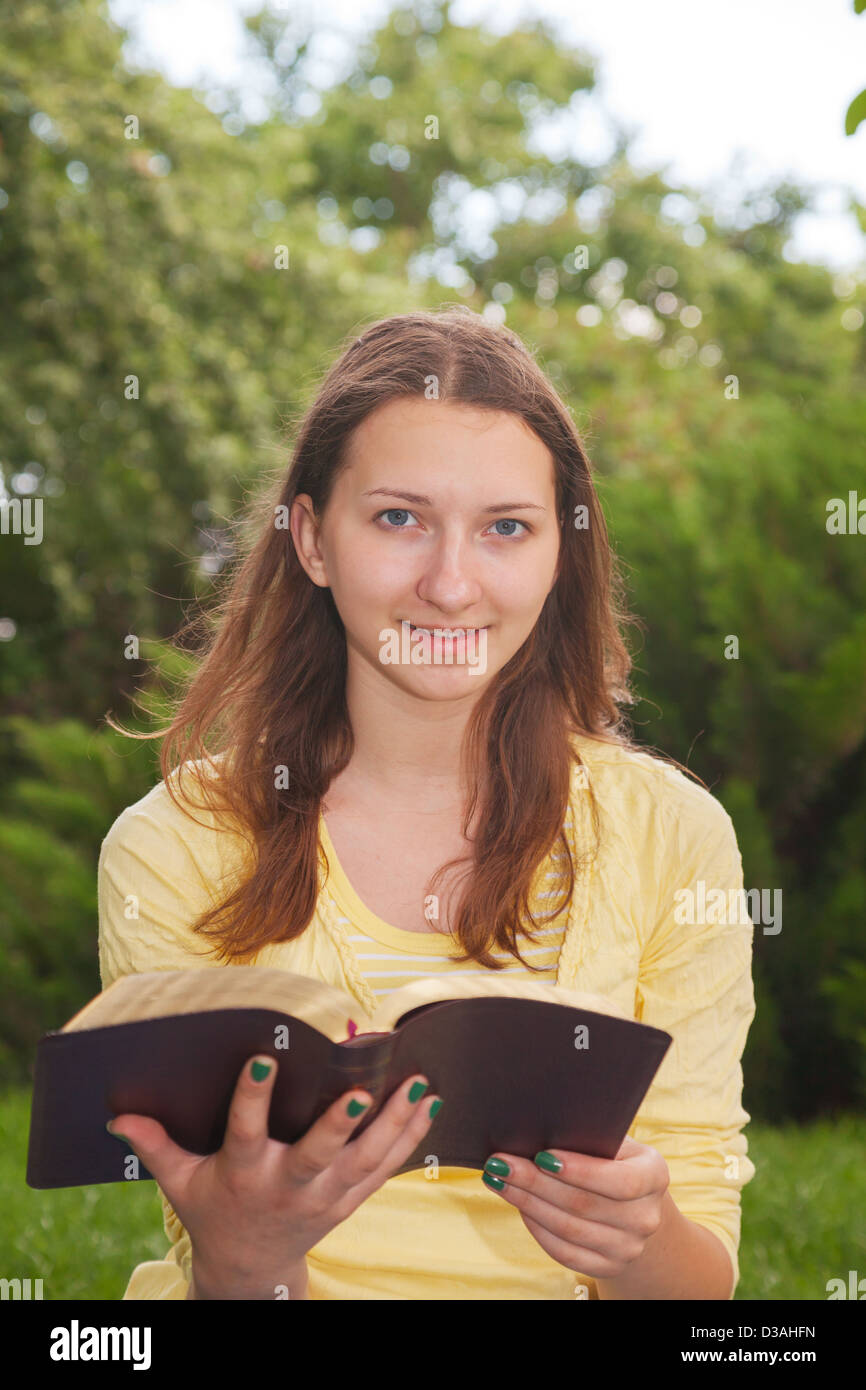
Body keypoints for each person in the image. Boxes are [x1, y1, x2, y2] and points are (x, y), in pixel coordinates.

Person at [98, 306, 756, 1301]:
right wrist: (250, 1255)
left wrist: (636, 1237)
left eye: (505, 528)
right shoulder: (172, 846)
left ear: (560, 552)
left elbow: (698, 1290)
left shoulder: (673, 837)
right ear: (313, 538)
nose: (450, 585)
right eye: (398, 518)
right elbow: (219, 1271)